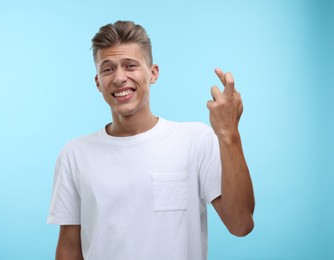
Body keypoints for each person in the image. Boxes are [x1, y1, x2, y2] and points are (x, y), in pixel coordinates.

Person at [47, 20, 255, 260]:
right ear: (98, 82)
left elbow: (241, 225)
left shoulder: (195, 141)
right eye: (108, 69)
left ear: (152, 73)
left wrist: (229, 134)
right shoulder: (74, 154)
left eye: (130, 65)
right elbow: (69, 250)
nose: (119, 78)